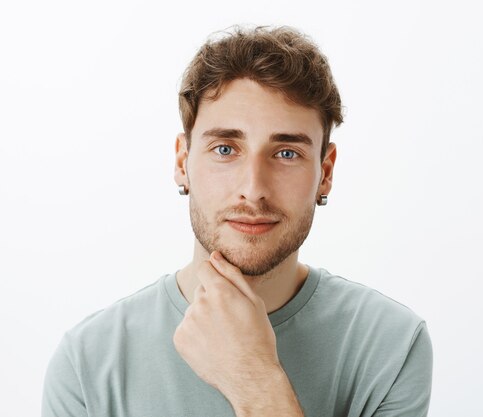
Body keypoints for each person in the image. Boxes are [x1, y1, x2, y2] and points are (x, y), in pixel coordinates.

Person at [42, 25, 433, 417]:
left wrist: (256, 381)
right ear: (182, 163)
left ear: (325, 172)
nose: (253, 189)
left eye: (286, 154)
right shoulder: (87, 363)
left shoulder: (391, 345)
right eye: (225, 149)